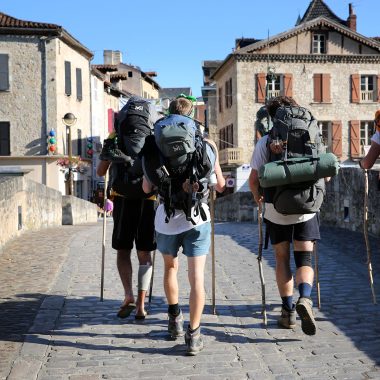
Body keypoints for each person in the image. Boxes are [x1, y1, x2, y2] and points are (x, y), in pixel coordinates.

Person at [142, 97, 225, 355]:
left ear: (169, 115)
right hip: (198, 218)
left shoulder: (155, 142)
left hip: (166, 219)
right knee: (196, 277)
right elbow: (221, 185)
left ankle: (174, 318)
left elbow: (146, 188)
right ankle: (194, 334)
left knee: (170, 268)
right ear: (192, 116)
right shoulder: (206, 143)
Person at [249, 96, 323, 336]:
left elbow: (253, 180)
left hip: (276, 208)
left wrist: (257, 197)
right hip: (307, 206)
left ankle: (288, 311)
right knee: (305, 260)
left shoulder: (266, 141)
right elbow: (326, 172)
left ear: (272, 117)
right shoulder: (311, 133)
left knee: (281, 259)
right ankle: (305, 298)